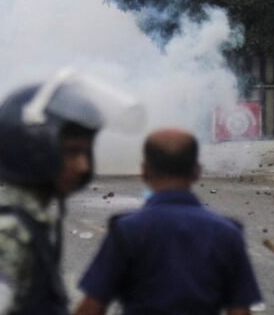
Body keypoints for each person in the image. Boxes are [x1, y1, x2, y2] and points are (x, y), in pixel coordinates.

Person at [0, 73, 118, 315]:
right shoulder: (4, 236)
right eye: (71, 152)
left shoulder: (32, 224)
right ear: (34, 150)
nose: (83, 166)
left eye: (84, 152)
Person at [75, 128, 262, 315]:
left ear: (144, 171)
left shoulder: (127, 230)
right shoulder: (228, 233)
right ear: (196, 171)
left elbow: (93, 307)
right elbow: (240, 311)